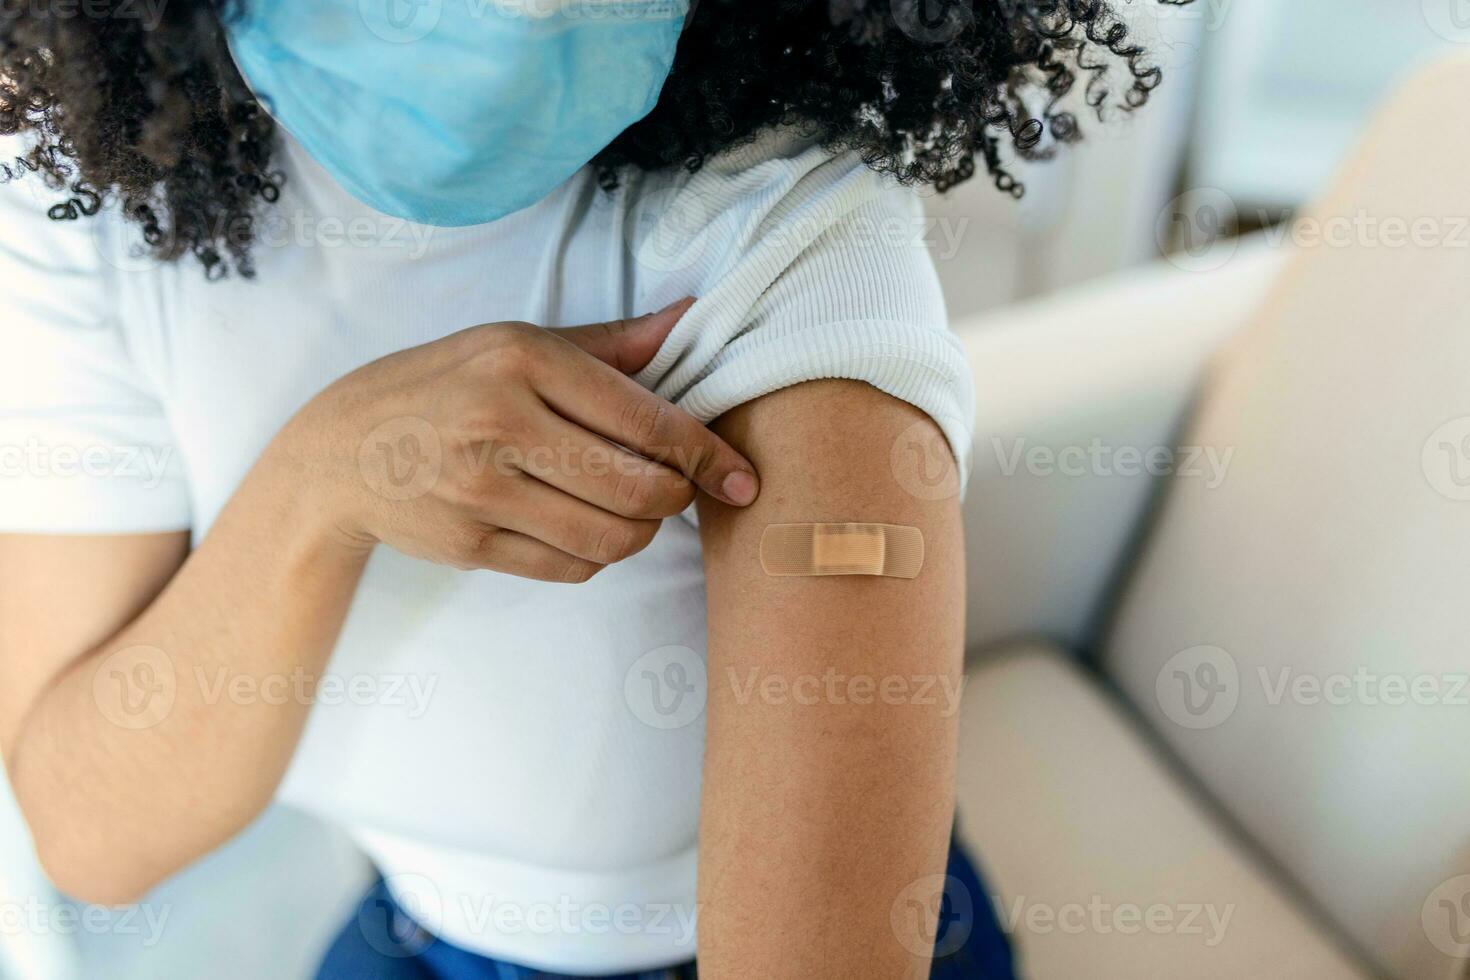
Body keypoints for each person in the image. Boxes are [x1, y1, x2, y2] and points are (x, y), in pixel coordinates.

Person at [0, 1, 1176, 976]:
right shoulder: (90, 197)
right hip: (410, 929)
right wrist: (323, 482)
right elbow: (94, 829)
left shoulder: (787, 229)